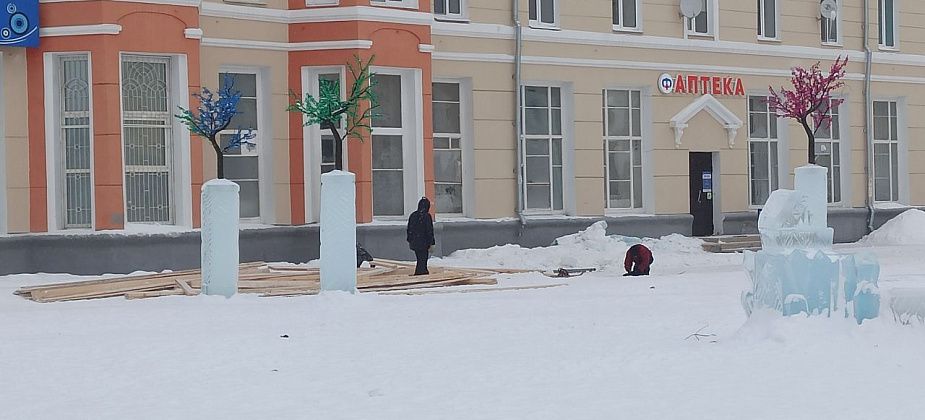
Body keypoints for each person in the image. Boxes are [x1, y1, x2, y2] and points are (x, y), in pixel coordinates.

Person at [406, 197, 436, 275]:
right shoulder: (426, 216)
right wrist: (432, 243)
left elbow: (409, 229)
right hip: (424, 243)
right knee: (423, 260)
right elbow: (429, 231)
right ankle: (421, 274)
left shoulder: (413, 215)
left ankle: (421, 272)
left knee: (419, 259)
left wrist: (410, 240)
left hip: (415, 242)